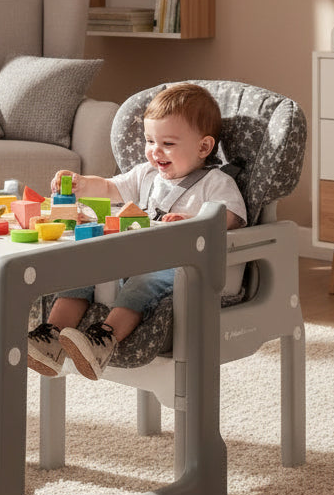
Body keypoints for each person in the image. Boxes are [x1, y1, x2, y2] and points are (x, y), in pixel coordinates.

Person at [27, 82, 246, 381]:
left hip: (179, 265)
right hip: (132, 258)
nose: (155, 151)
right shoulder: (146, 174)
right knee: (82, 268)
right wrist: (80, 183)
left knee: (144, 283)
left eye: (168, 143)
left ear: (203, 147)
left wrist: (193, 221)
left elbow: (231, 217)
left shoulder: (216, 183)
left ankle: (102, 340)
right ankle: (51, 336)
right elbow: (109, 187)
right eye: (149, 140)